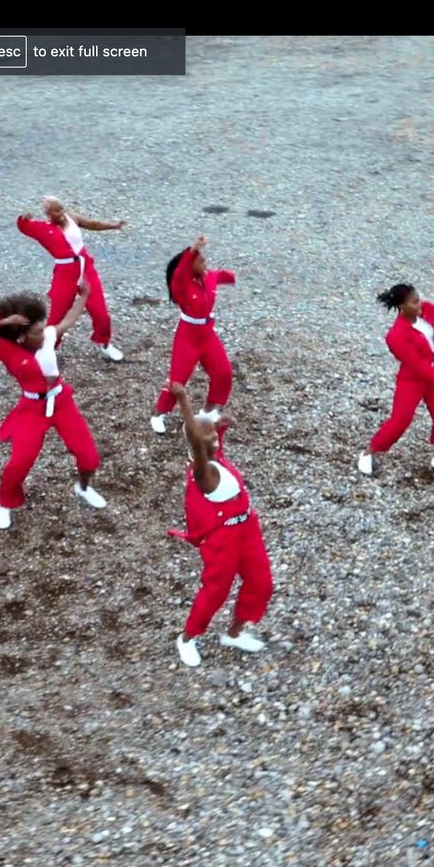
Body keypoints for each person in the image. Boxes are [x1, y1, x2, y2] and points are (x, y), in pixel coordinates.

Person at [0, 279, 107, 530]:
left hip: (62, 401)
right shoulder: (7, 350)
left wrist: (84, 298)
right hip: (32, 409)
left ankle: (83, 487)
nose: (44, 334)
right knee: (20, 462)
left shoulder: (47, 336)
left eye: (43, 329)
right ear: (21, 337)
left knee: (89, 457)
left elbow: (67, 322)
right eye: (36, 332)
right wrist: (1, 321)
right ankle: (5, 503)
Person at [165, 383, 272, 668]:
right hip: (223, 538)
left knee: (261, 582)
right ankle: (187, 638)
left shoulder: (215, 454)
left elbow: (208, 437)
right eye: (210, 435)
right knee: (216, 591)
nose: (215, 437)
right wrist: (183, 400)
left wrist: (219, 424)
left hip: (247, 527)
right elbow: (199, 442)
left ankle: (234, 633)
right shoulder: (204, 472)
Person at [357, 259, 434, 475]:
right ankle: (369, 452)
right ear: (401, 306)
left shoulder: (426, 313)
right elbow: (417, 365)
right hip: (413, 379)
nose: (420, 304)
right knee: (400, 420)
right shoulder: (396, 336)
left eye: (419, 299)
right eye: (414, 302)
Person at [15, 195, 126, 361]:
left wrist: (113, 225)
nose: (61, 213)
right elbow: (24, 226)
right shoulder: (43, 228)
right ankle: (49, 348)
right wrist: (24, 218)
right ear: (48, 213)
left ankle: (103, 342)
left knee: (100, 312)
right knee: (58, 314)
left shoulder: (72, 218)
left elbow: (92, 224)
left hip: (85, 267)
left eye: (62, 208)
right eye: (56, 210)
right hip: (65, 272)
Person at [150, 236, 236, 434]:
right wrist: (192, 250)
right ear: (190, 265)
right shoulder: (181, 284)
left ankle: (210, 408)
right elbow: (180, 272)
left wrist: (235, 276)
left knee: (223, 372)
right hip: (187, 337)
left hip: (207, 335)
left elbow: (222, 275)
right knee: (178, 379)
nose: (205, 264)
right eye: (201, 261)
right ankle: (159, 412)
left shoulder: (209, 277)